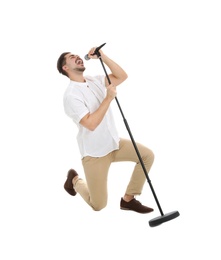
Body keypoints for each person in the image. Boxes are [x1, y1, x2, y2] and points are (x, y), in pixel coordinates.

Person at [57, 46, 155, 213]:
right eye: (72, 57)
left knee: (147, 156)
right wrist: (108, 98)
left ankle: (128, 200)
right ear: (65, 68)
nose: (77, 57)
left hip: (114, 143)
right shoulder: (71, 96)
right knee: (98, 205)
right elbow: (91, 124)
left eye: (76, 55)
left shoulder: (93, 80)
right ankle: (74, 180)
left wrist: (103, 57)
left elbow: (122, 76)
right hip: (95, 154)